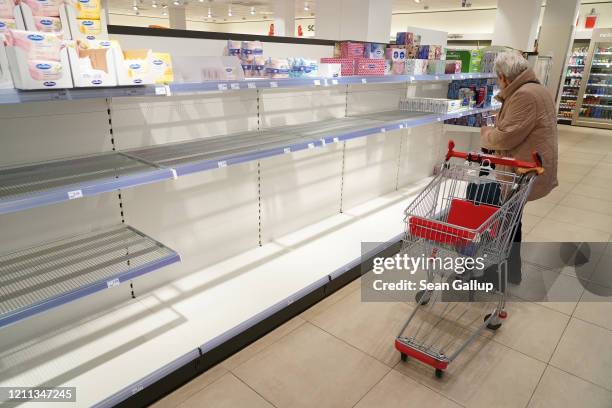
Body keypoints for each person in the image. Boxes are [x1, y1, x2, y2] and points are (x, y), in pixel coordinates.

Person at [480, 51, 559, 284]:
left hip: (521, 170)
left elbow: (505, 137)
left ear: (504, 77)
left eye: (497, 78)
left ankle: (500, 273)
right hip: (528, 166)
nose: (497, 82)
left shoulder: (524, 95)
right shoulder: (535, 89)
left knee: (507, 221)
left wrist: (486, 135)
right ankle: (512, 271)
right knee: (512, 219)